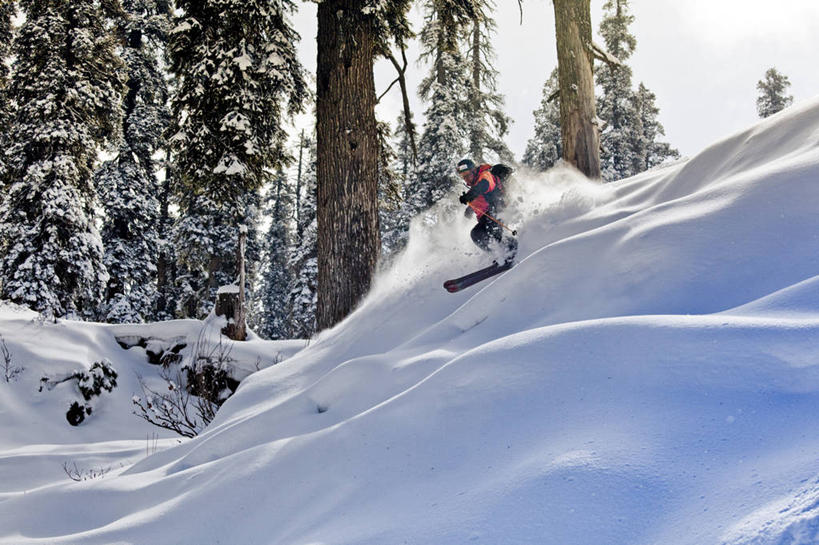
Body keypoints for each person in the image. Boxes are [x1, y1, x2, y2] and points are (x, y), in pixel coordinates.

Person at [456, 158, 518, 265]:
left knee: (493, 227)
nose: (466, 179)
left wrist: (469, 196)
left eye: (467, 174)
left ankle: (511, 248)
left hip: (498, 209)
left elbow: (484, 186)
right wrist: (469, 209)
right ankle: (498, 255)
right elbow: (478, 199)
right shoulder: (474, 187)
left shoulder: (485, 175)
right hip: (486, 216)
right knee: (476, 234)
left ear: (474, 171)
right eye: (463, 176)